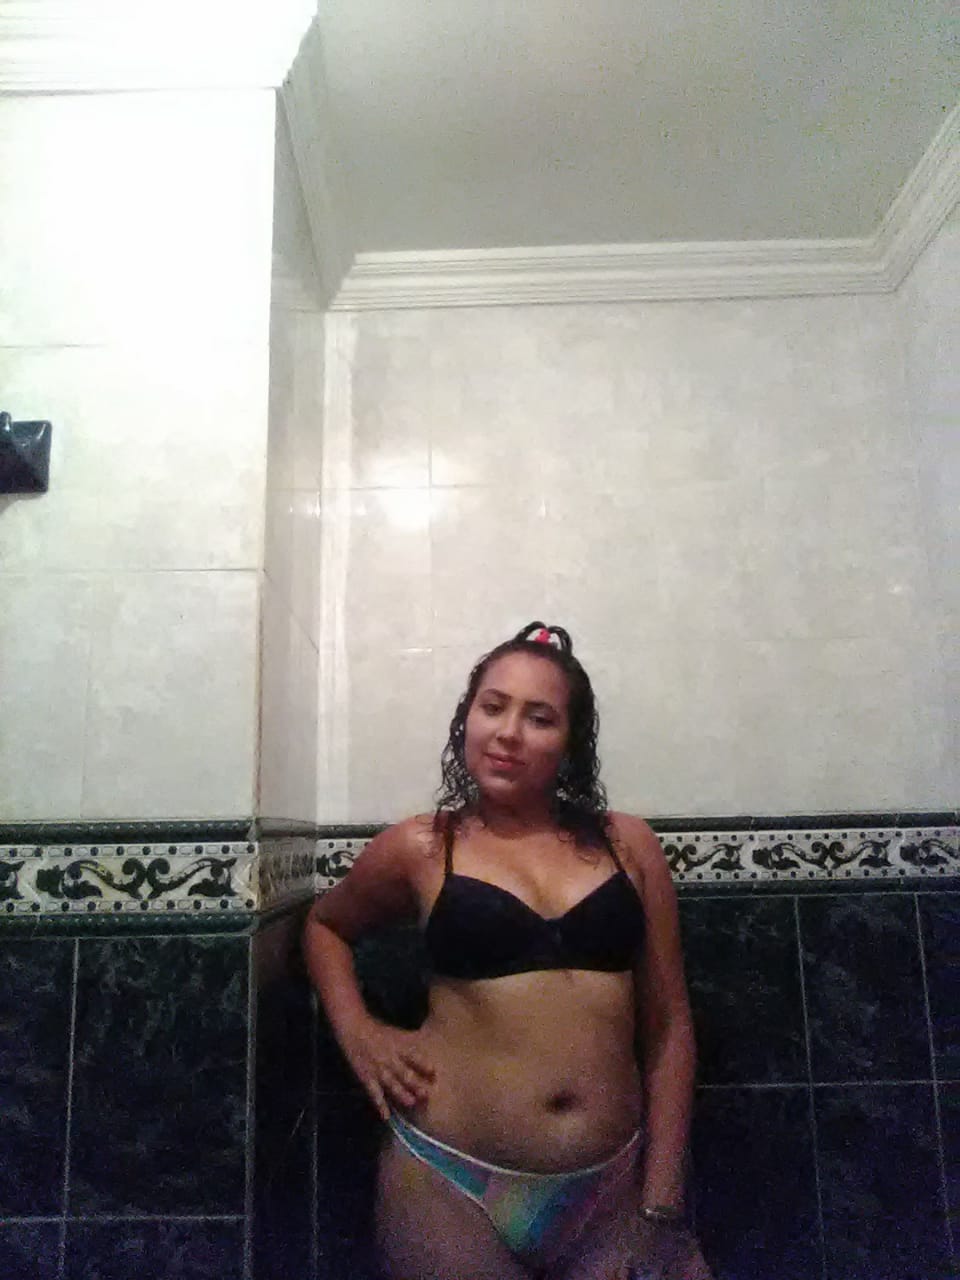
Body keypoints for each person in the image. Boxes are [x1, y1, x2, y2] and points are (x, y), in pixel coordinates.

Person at [303, 622, 714, 1280]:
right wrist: (358, 1029)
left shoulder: (629, 845)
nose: (508, 733)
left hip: (614, 1189)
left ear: (570, 741)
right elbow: (325, 926)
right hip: (447, 1183)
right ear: (465, 719)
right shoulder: (421, 847)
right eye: (492, 707)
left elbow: (669, 1026)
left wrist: (661, 1203)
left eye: (539, 718)